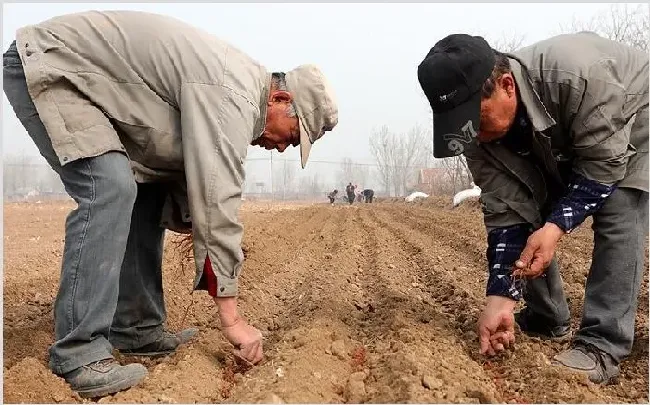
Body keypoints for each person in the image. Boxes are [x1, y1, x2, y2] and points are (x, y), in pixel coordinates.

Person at [3, 10, 338, 398]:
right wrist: (231, 320)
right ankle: (78, 353)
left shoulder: (236, 89)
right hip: (52, 65)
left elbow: (181, 170)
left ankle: (136, 329)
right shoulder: (234, 95)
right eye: (292, 136)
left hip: (90, 85)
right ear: (281, 98)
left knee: (145, 192)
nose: (281, 147)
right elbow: (218, 196)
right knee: (109, 186)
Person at [418, 32, 647, 384]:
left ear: (507, 85)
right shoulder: (472, 134)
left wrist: (556, 226)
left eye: (477, 121)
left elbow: (603, 168)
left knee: (619, 209)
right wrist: (501, 296)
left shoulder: (577, 74)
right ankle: (546, 317)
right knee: (528, 212)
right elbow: (505, 210)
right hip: (565, 132)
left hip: (632, 119)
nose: (473, 136)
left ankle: (602, 343)